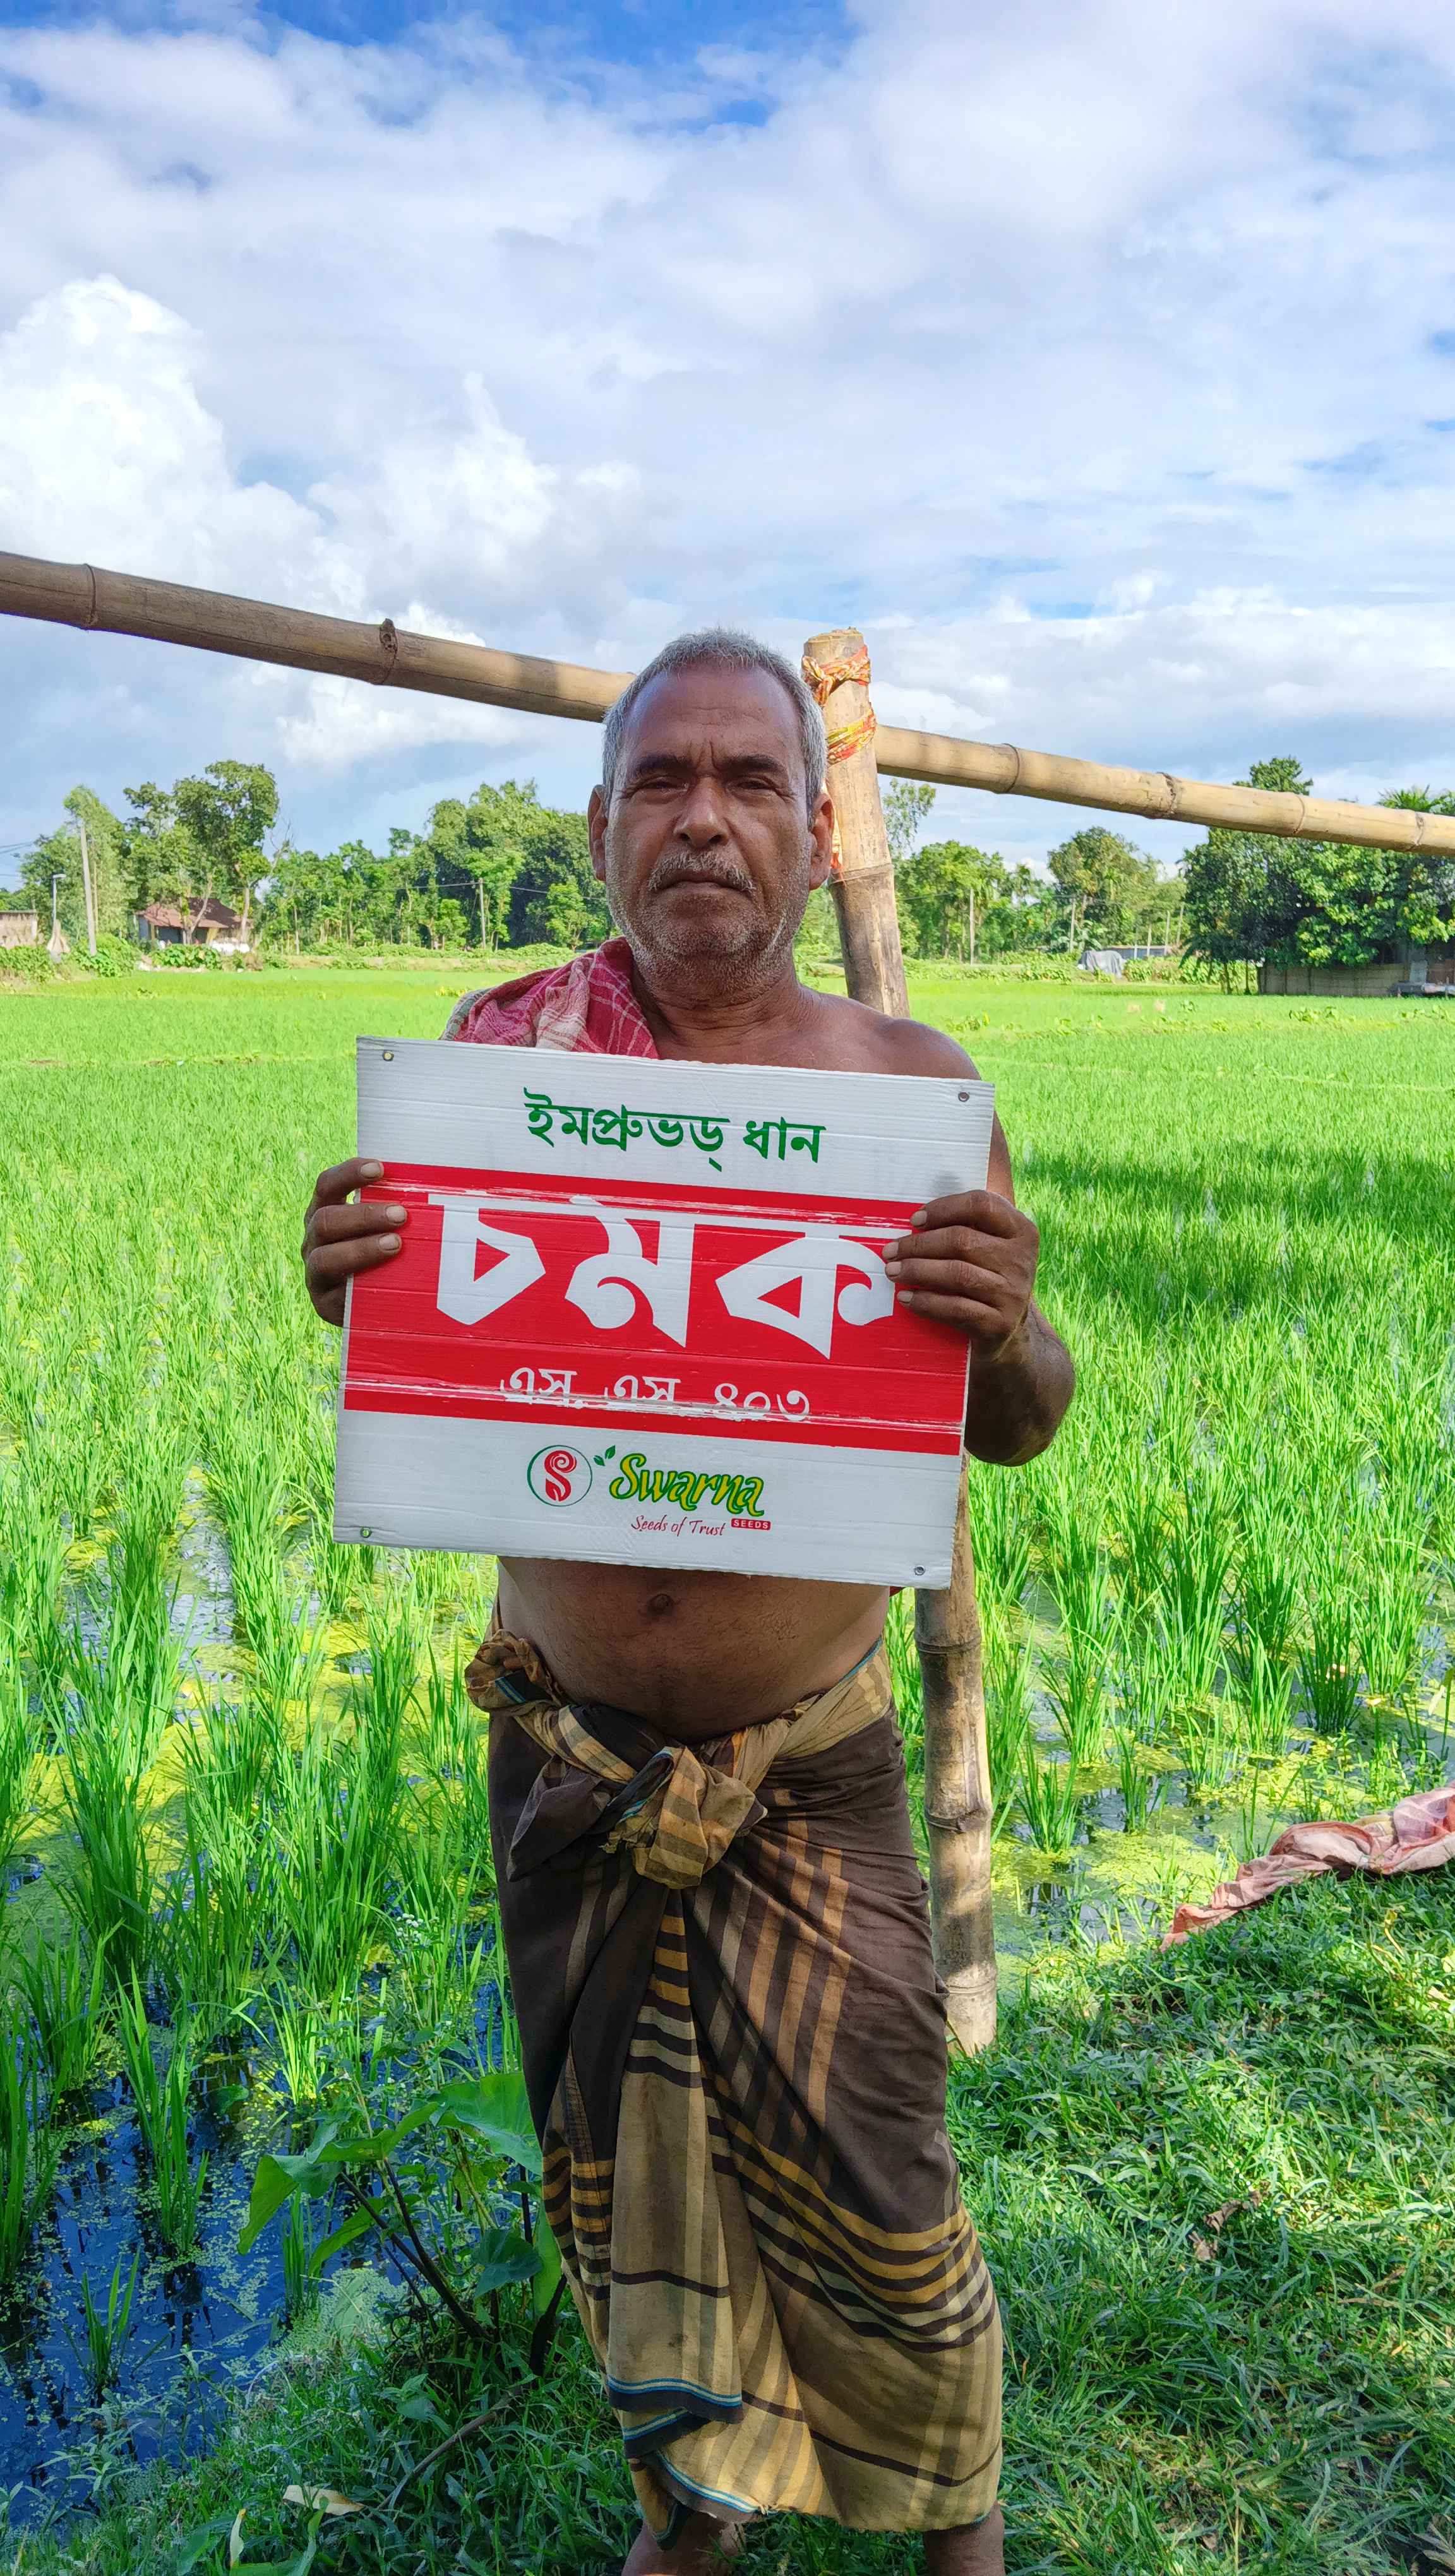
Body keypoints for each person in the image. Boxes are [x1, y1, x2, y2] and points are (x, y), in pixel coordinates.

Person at [301, 632, 1074, 2575]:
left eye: (750, 781)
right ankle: (688, 2518)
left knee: (884, 2169)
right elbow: (454, 1355)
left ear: (817, 833)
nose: (704, 817)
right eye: (663, 780)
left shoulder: (911, 1095)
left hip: (810, 1767)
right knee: (621, 2184)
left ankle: (955, 2524)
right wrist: (361, 1284)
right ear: (602, 830)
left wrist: (1006, 1328)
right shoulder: (503, 1072)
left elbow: (1021, 1424)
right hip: (573, 1767)